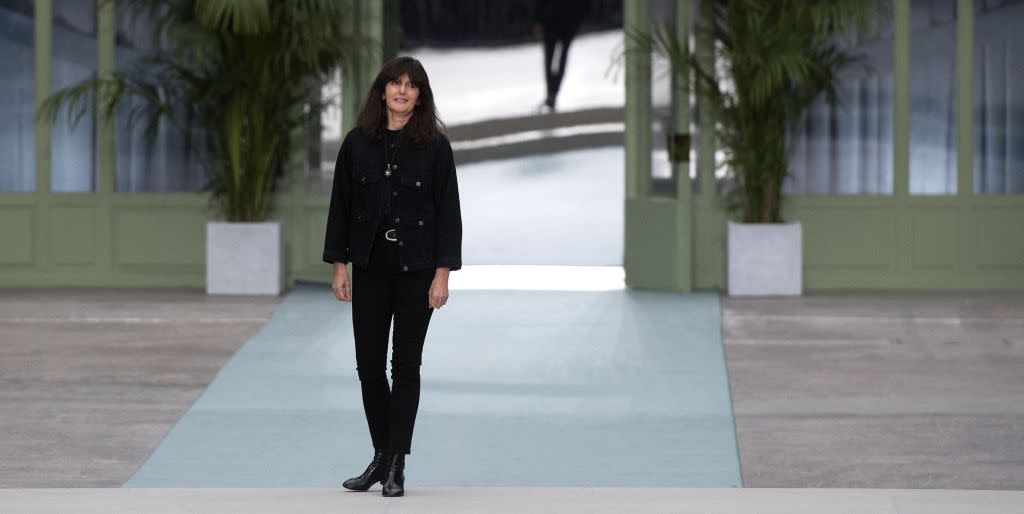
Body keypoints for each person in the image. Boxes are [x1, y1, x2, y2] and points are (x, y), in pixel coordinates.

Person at [323, 56, 463, 498]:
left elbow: (449, 217)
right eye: (395, 83)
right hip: (369, 266)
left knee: (404, 366)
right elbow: (340, 207)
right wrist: (339, 265)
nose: (402, 91)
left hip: (417, 270)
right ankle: (381, 455)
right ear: (381, 90)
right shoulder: (357, 143)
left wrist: (442, 276)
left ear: (421, 96)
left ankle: (397, 462)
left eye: (411, 85)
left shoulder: (435, 147)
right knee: (368, 367)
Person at [535, 0, 589, 113]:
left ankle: (552, 92)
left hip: (555, 19)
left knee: (551, 59)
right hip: (564, 19)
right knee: (559, 59)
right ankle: (553, 91)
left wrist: (538, 20)